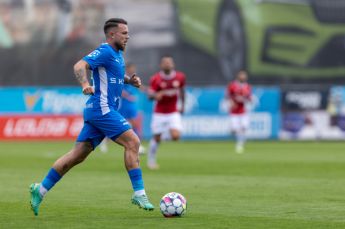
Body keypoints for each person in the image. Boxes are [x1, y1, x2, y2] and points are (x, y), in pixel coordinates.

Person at [29, 18, 154, 216]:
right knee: (133, 142)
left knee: (77, 155)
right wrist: (84, 85)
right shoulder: (104, 50)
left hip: (99, 111)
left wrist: (130, 81)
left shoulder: (116, 55)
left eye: (128, 33)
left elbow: (114, 75)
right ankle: (139, 193)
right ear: (112, 34)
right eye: (124, 33)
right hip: (102, 109)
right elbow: (79, 65)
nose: (127, 36)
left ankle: (40, 189)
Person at [147, 55, 186, 169]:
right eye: (165, 62)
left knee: (176, 136)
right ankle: (151, 159)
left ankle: (162, 135)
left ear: (173, 64)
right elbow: (150, 96)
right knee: (157, 139)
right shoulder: (156, 78)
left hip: (173, 111)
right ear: (161, 65)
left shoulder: (180, 77)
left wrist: (182, 105)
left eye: (169, 62)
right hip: (159, 112)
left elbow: (182, 91)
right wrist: (155, 96)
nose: (167, 64)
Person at [99, 63, 146, 154]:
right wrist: (128, 96)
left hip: (131, 105)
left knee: (134, 124)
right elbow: (119, 90)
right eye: (131, 68)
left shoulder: (132, 78)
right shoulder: (122, 78)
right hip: (124, 105)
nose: (132, 70)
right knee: (118, 126)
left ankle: (138, 145)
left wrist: (145, 89)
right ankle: (105, 141)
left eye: (133, 68)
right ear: (127, 69)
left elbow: (139, 87)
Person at [226, 70, 252, 153]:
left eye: (245, 75)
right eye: (242, 75)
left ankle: (239, 144)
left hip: (243, 111)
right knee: (234, 130)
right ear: (238, 76)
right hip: (234, 112)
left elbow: (249, 98)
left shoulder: (247, 86)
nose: (244, 77)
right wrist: (231, 102)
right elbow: (228, 96)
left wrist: (245, 100)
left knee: (244, 127)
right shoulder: (232, 85)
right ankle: (239, 138)